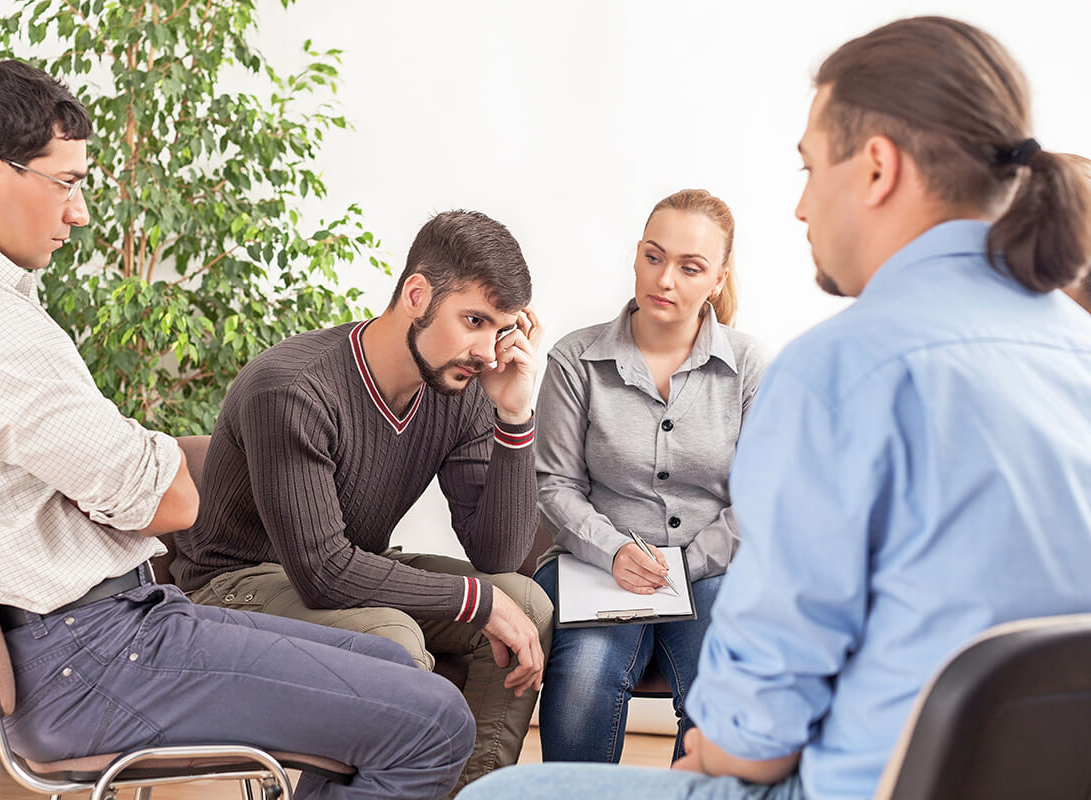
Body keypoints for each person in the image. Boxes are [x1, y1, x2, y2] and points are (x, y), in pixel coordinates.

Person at [457, 15, 1091, 800]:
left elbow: (753, 740)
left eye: (809, 166)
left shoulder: (838, 370)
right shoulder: (1077, 346)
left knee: (497, 795)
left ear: (877, 169)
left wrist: (718, 751)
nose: (799, 208)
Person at [0, 59, 475, 800]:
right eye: (67, 183)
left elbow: (126, 477)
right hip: (96, 657)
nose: (79, 213)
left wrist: (124, 461)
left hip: (89, 637)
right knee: (435, 722)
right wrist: (136, 458)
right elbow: (172, 506)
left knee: (392, 671)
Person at [171, 209, 553, 794]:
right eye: (473, 319)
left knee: (523, 601)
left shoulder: (461, 386)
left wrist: (514, 415)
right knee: (390, 637)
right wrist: (476, 599)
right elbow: (323, 572)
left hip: (342, 570)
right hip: (235, 586)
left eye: (499, 329)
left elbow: (500, 554)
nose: (486, 350)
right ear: (417, 294)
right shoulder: (294, 388)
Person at [531, 188, 767, 763]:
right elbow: (554, 484)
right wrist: (612, 550)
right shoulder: (575, 358)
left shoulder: (749, 365)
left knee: (722, 693)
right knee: (584, 682)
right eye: (654, 258)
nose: (665, 280)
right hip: (595, 566)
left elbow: (763, 499)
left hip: (714, 568)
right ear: (637, 255)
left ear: (718, 279)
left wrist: (686, 565)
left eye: (691, 268)